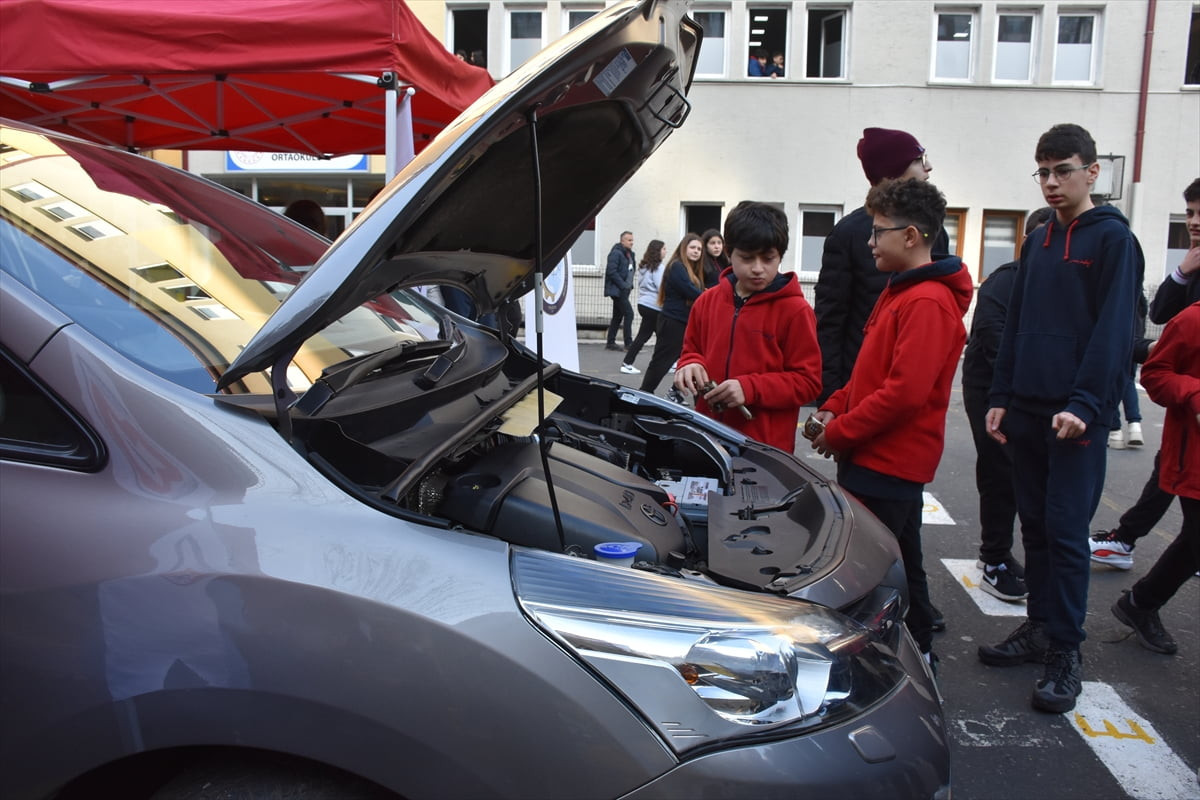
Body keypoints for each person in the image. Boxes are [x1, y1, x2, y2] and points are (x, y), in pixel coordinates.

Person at [979, 123, 1142, 715]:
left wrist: (1085, 404)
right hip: (1026, 410)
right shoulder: (1040, 238)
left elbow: (1114, 332)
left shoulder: (1114, 241)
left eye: (1062, 170)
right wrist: (1001, 393)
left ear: (1092, 172)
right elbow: (1018, 320)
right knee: (1037, 532)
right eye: (1042, 171)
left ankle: (1066, 650)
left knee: (1068, 536)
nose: (1051, 182)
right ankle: (1040, 628)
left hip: (1076, 418)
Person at [808, 178, 973, 669]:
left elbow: (904, 394)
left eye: (880, 232)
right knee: (902, 558)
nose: (871, 242)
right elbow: (869, 372)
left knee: (877, 567)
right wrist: (835, 404)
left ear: (913, 236)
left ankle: (899, 655)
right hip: (875, 455)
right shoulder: (902, 292)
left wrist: (839, 432)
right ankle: (917, 643)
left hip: (890, 462)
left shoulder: (925, 302)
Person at [1089, 177, 1200, 568]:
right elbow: (1159, 315)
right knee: (1172, 472)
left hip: (1186, 391)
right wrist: (1182, 273)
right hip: (1186, 396)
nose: (1194, 222)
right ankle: (1128, 542)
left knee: (1175, 475)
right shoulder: (1193, 263)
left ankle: (1132, 546)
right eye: (1189, 213)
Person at [674, 202, 821, 451]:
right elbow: (691, 351)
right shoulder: (706, 302)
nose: (757, 268)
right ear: (728, 253)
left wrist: (750, 388)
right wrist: (689, 364)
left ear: (781, 256)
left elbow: (808, 382)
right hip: (707, 438)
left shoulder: (796, 311)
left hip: (763, 449)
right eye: (747, 257)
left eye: (768, 258)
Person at [815, 127, 947, 405]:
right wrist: (831, 397)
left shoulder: (935, 231)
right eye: (920, 160)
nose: (929, 167)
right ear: (894, 171)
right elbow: (830, 323)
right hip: (858, 387)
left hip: (915, 387)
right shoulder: (848, 234)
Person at [961, 207, 1052, 602]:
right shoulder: (1005, 281)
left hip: (1035, 393)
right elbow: (994, 338)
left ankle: (1016, 557)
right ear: (1028, 241)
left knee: (1030, 475)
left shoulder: (1062, 282)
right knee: (1001, 471)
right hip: (991, 388)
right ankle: (994, 558)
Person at [1107, 300, 1200, 656]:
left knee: (1193, 542)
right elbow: (1155, 374)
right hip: (1192, 459)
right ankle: (1140, 602)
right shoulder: (1191, 319)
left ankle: (1141, 603)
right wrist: (1194, 393)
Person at [640, 234, 704, 395]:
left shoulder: (690, 269)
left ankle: (675, 393)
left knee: (688, 360)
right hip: (673, 322)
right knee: (661, 362)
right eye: (693, 247)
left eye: (699, 249)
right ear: (684, 248)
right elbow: (689, 291)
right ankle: (644, 393)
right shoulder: (677, 266)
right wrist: (707, 295)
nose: (696, 251)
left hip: (683, 322)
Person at [620, 240, 666, 374]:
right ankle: (662, 364)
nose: (665, 251)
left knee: (647, 335)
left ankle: (628, 362)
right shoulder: (659, 267)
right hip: (655, 306)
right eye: (663, 249)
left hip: (643, 304)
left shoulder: (643, 266)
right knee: (661, 337)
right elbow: (661, 287)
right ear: (657, 251)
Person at [604, 231, 636, 352]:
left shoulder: (629, 254)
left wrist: (629, 286)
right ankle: (629, 344)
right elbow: (611, 271)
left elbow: (630, 270)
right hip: (618, 290)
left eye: (632, 240)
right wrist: (623, 285)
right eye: (629, 240)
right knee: (629, 314)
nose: (632, 242)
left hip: (624, 290)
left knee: (617, 316)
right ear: (622, 241)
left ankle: (610, 342)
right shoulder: (616, 253)